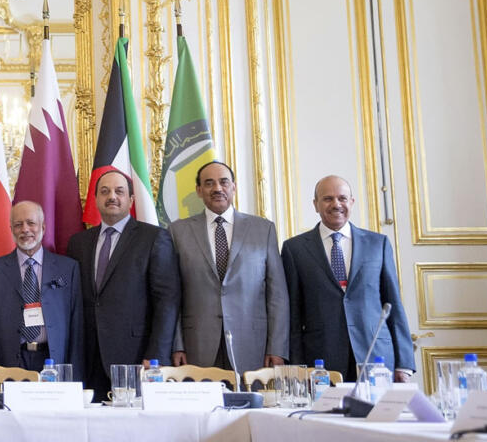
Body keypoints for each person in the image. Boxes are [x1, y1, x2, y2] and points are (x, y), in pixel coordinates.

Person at [281, 175, 415, 382]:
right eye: (327, 199)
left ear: (351, 202)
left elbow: (393, 305)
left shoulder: (377, 244)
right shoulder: (294, 249)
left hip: (376, 357)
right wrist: (296, 368)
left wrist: (404, 363)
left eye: (342, 198)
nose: (336, 204)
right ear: (315, 205)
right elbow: (293, 316)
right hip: (321, 360)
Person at [67, 168, 180, 399]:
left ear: (131, 199)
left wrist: (157, 354)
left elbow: (166, 301)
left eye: (119, 191)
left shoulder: (154, 238)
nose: (112, 197)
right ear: (96, 199)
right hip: (88, 356)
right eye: (105, 191)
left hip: (136, 357)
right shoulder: (78, 243)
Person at [170, 162, 288, 373]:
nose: (217, 188)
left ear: (233, 187)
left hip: (253, 345)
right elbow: (172, 295)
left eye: (224, 182)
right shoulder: (178, 231)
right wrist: (177, 343)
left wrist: (277, 347)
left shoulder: (263, 229)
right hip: (196, 344)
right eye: (209, 183)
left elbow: (277, 294)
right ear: (198, 190)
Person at [0, 201, 83, 372]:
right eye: (18, 225)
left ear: (43, 227)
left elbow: (77, 328)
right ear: (11, 229)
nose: (25, 229)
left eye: (31, 223)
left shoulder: (68, 269)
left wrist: (74, 374)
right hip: (10, 363)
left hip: (53, 361)